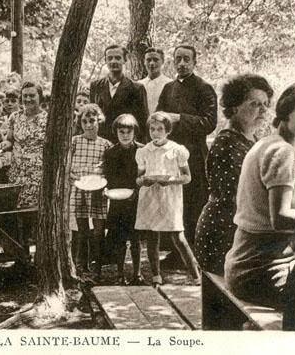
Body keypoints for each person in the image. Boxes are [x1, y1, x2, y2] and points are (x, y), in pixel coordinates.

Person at [224, 83, 295, 308]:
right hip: (258, 272)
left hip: (243, 266)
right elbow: (280, 218)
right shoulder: (282, 151)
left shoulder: (268, 142)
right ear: (286, 113)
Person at [194, 74, 274, 275]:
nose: (263, 109)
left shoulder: (251, 139)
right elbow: (235, 197)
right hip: (222, 231)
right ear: (234, 107)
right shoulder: (227, 143)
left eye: (265, 103)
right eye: (255, 103)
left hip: (238, 228)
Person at [156, 45, 217, 254]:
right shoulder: (168, 89)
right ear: (173, 62)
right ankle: (176, 254)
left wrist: (180, 119)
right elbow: (158, 119)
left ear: (194, 62)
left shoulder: (204, 88)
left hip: (194, 156)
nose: (182, 63)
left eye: (186, 59)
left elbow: (210, 123)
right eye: (178, 59)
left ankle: (196, 252)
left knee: (194, 203)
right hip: (170, 155)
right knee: (173, 202)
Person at [135, 112, 201, 287]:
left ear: (168, 131)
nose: (155, 133)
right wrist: (144, 181)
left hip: (170, 197)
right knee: (152, 237)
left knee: (178, 237)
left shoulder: (177, 150)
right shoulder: (144, 151)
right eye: (152, 129)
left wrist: (171, 180)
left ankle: (196, 276)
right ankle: (156, 276)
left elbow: (187, 177)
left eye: (160, 129)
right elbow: (139, 178)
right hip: (150, 196)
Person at [68, 104, 112, 278]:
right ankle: (80, 265)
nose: (88, 125)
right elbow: (66, 164)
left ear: (99, 120)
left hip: (97, 191)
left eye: (92, 121)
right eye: (84, 121)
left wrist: (105, 184)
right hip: (79, 189)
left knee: (99, 230)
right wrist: (70, 175)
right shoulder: (75, 141)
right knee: (81, 229)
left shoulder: (106, 144)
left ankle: (97, 265)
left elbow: (109, 170)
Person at [103, 114, 144, 285]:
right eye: (122, 132)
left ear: (135, 132)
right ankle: (120, 274)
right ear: (116, 132)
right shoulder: (111, 152)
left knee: (135, 239)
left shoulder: (142, 150)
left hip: (136, 200)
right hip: (118, 201)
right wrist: (106, 188)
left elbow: (144, 175)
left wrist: (137, 190)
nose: (125, 135)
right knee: (119, 240)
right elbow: (108, 176)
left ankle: (137, 273)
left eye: (129, 131)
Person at [0, 82, 48, 208]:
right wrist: (5, 144)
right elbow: (10, 141)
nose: (27, 99)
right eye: (25, 96)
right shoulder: (15, 117)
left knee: (33, 210)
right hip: (17, 172)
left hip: (38, 174)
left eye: (32, 95)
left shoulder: (48, 119)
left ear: (40, 97)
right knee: (16, 208)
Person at [89, 45, 149, 143]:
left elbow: (142, 122)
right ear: (105, 61)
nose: (113, 61)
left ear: (125, 60)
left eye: (117, 58)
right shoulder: (96, 86)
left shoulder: (137, 88)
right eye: (110, 58)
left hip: (126, 143)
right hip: (101, 141)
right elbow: (92, 116)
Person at [138, 47, 171, 113]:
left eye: (156, 60)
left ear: (162, 61)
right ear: (144, 62)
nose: (152, 63)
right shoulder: (138, 85)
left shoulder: (170, 84)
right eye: (148, 60)